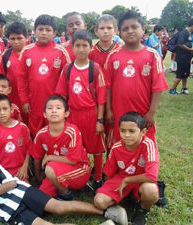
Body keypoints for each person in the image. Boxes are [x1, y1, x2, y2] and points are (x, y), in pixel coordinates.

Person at [0, 135, 128, 225]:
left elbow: (12, 183)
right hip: (9, 212)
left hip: (22, 192)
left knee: (59, 207)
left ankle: (106, 213)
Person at [105, 11, 168, 145]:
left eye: (134, 27)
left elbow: (157, 88)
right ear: (119, 33)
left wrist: (151, 113)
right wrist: (109, 109)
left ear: (143, 29)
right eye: (125, 29)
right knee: (118, 144)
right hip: (118, 111)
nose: (130, 31)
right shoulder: (113, 56)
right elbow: (108, 85)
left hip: (143, 112)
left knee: (144, 144)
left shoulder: (152, 55)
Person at [56, 30, 107, 189]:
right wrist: (63, 116)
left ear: (91, 48)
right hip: (73, 114)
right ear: (72, 48)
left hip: (91, 114)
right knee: (75, 146)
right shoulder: (67, 69)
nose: (81, 49)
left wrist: (100, 120)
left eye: (85, 45)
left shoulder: (96, 68)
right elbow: (61, 95)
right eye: (77, 45)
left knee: (96, 148)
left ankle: (98, 177)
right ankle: (78, 174)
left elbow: (101, 98)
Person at [94, 112, 160, 225]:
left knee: (151, 190)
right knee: (99, 202)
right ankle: (123, 200)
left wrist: (127, 180)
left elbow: (151, 176)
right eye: (122, 131)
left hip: (141, 181)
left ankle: (142, 210)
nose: (127, 135)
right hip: (121, 178)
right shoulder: (116, 148)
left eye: (132, 131)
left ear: (143, 132)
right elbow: (109, 173)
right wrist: (108, 190)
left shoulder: (148, 145)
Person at [17, 14, 70, 136]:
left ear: (54, 33)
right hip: (33, 103)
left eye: (48, 30)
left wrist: (65, 102)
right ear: (34, 31)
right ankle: (36, 155)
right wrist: (24, 100)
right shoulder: (26, 51)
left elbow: (68, 79)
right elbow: (21, 78)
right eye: (40, 29)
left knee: (55, 134)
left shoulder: (61, 52)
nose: (44, 33)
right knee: (35, 134)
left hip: (55, 105)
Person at [33, 95, 91, 200]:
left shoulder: (72, 131)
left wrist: (50, 157)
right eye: (50, 108)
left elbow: (73, 160)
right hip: (55, 170)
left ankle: (65, 194)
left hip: (80, 169)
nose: (54, 111)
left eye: (58, 108)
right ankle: (59, 190)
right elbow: (37, 157)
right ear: (45, 114)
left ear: (66, 113)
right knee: (40, 198)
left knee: (50, 168)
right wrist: (38, 177)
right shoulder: (41, 134)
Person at [89, 15, 121, 151]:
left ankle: (111, 165)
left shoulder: (121, 51)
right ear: (96, 31)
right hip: (95, 100)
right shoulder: (90, 53)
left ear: (116, 31)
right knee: (96, 132)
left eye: (109, 28)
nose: (106, 31)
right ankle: (96, 167)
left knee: (114, 133)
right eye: (102, 28)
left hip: (116, 99)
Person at [0, 22, 27, 118]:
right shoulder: (5, 56)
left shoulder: (32, 54)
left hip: (30, 101)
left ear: (26, 37)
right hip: (12, 101)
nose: (16, 42)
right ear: (8, 39)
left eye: (19, 38)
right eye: (13, 39)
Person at [169, 18, 193, 95]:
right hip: (182, 58)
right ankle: (172, 90)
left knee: (185, 75)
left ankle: (184, 89)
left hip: (187, 58)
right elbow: (180, 44)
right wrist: (190, 49)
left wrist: (192, 49)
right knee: (180, 75)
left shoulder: (189, 33)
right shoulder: (184, 33)